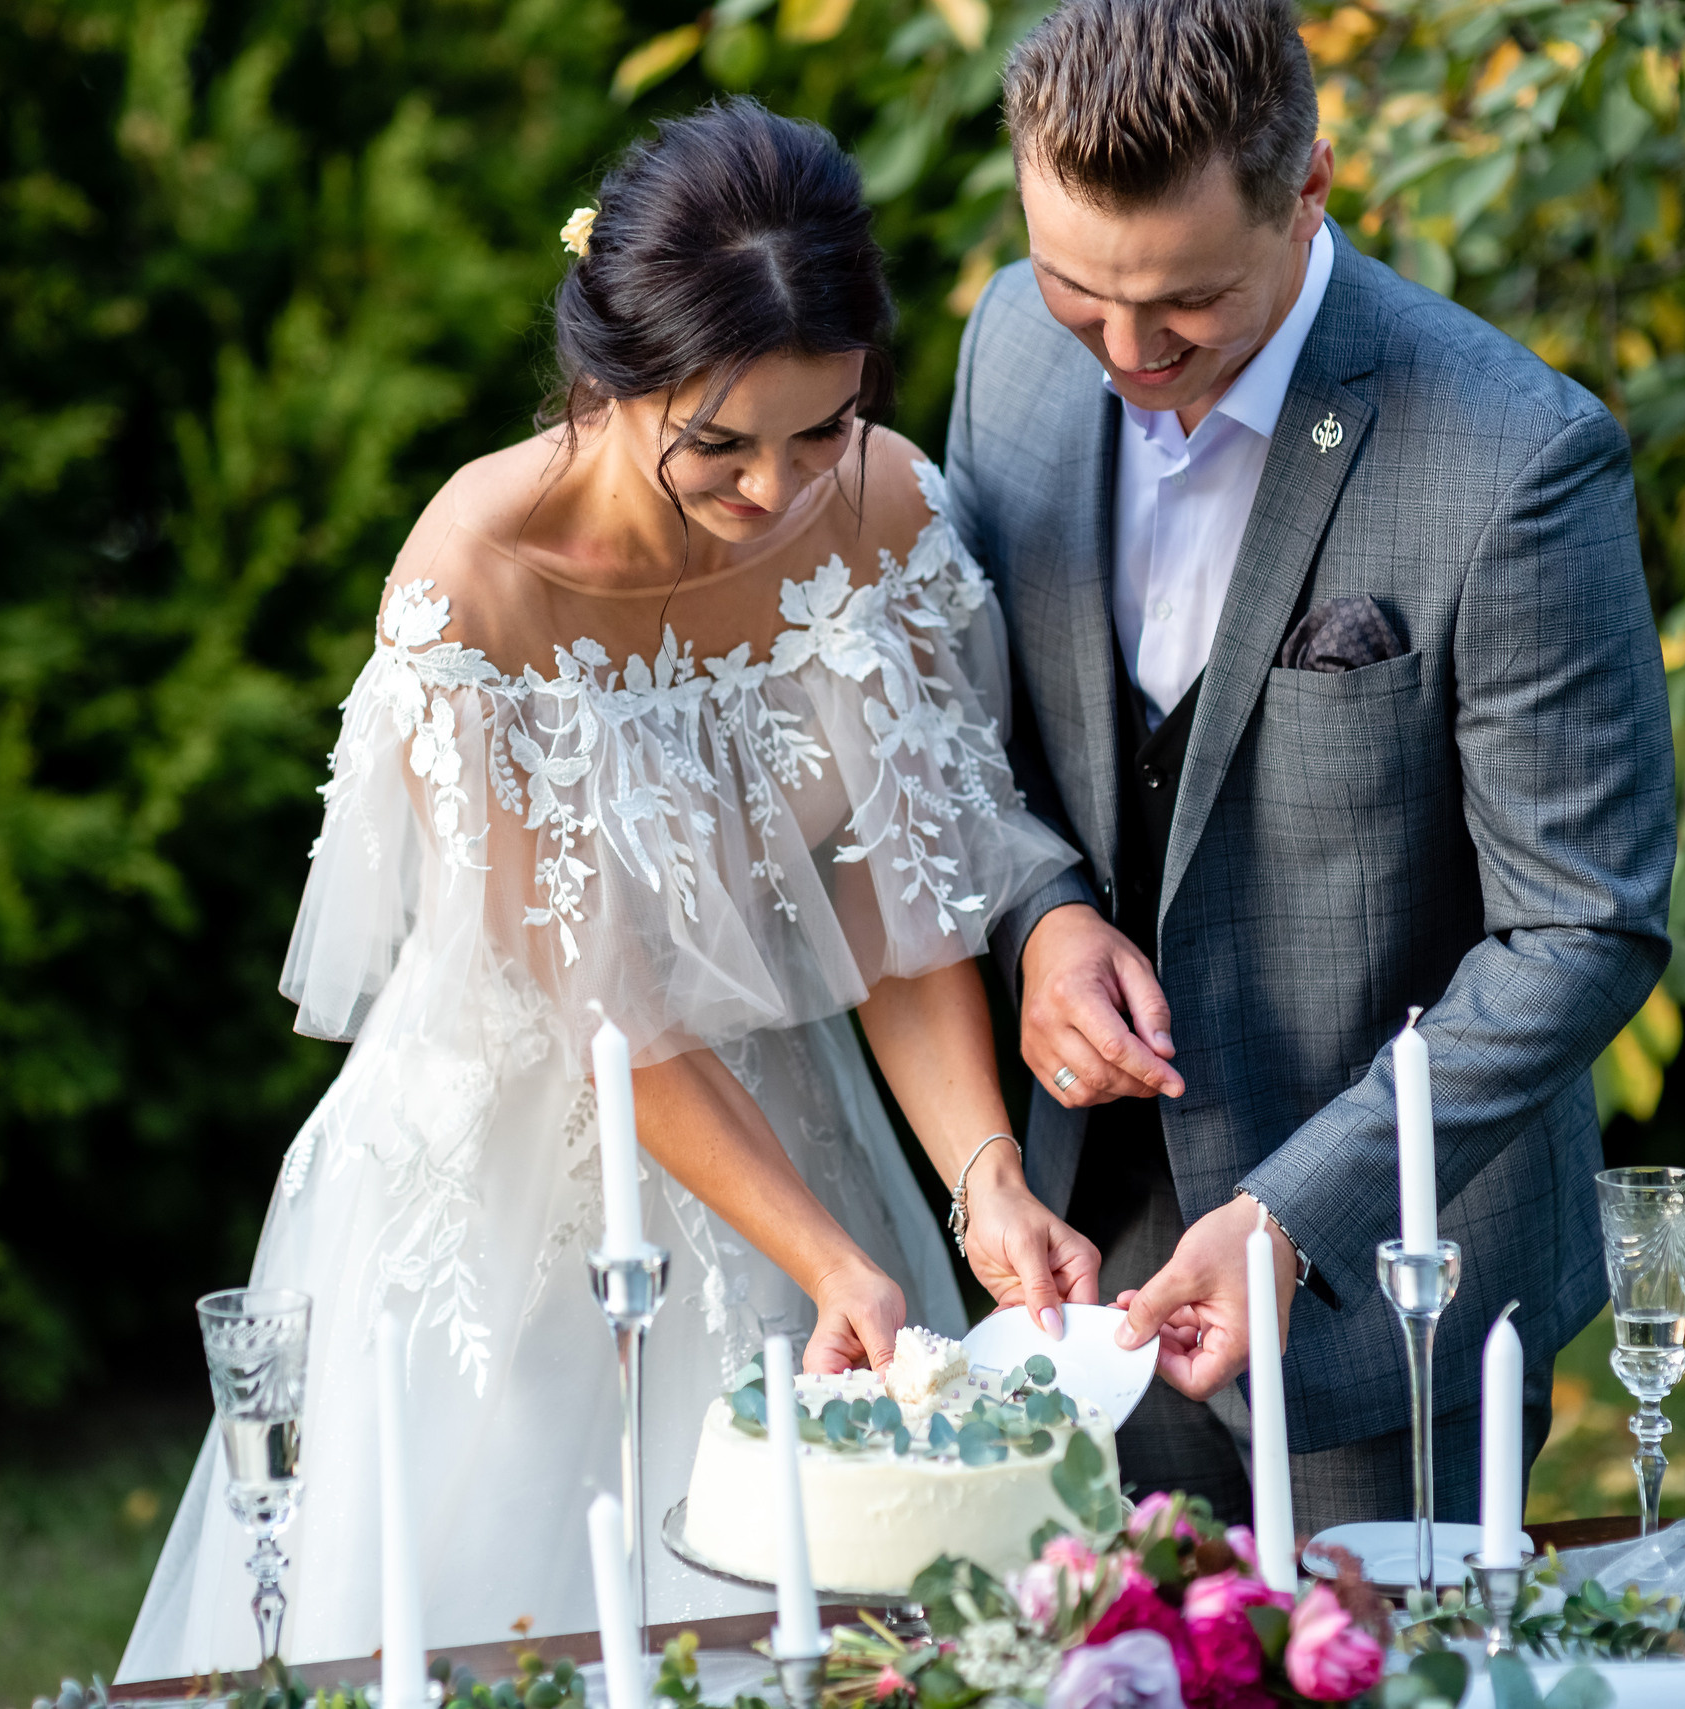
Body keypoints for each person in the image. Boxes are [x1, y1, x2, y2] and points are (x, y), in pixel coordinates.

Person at [119, 98, 1095, 1678]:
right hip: (510, 1187)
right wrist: (824, 1254)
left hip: (794, 1129)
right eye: (719, 442)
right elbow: (602, 1013)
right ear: (608, 377)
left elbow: (903, 908)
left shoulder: (888, 510)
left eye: (820, 428)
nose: (779, 490)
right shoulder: (477, 583)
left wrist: (980, 1178)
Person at [947, 0, 1676, 1529]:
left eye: (1189, 306)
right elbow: (968, 734)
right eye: (1084, 295)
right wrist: (1041, 912)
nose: (1133, 356)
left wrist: (1298, 1215)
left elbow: (1581, 926)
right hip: (1067, 1272)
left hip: (1386, 1303)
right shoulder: (1011, 352)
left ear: (1311, 191)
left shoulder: (1517, 457)